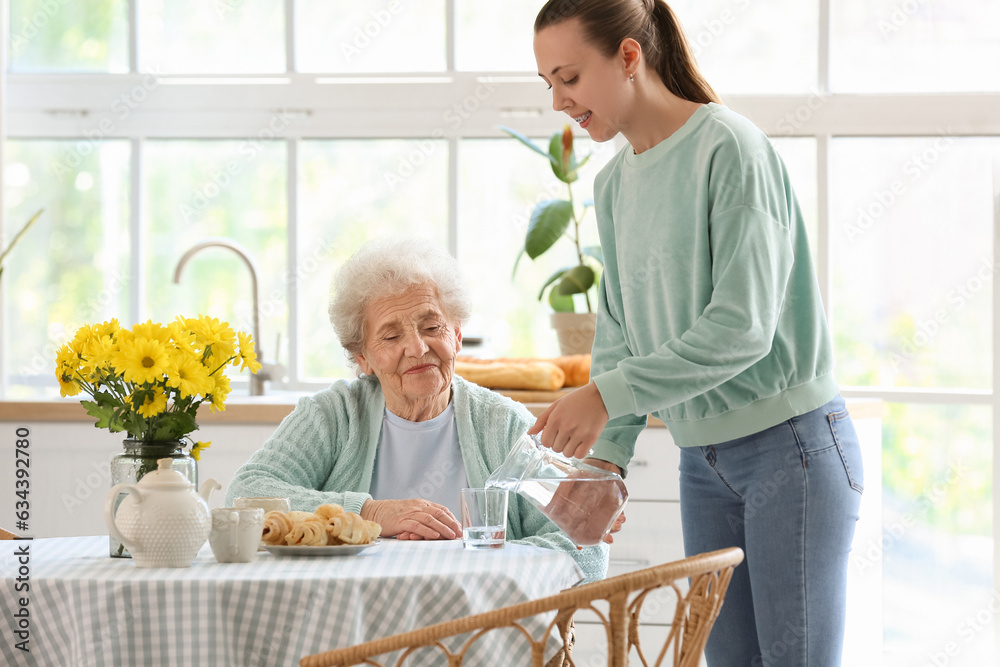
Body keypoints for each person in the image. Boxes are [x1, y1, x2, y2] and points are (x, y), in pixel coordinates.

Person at [527, 1, 863, 665]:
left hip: (790, 449)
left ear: (629, 56)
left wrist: (603, 397)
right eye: (549, 86)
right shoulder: (615, 183)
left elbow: (742, 328)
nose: (560, 102)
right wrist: (607, 458)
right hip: (700, 459)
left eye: (569, 77)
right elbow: (620, 326)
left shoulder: (730, 147)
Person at [227, 238, 608, 583]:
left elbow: (587, 541)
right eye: (392, 336)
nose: (417, 347)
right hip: (348, 626)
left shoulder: (502, 425)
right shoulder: (333, 416)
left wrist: (489, 569)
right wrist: (370, 514)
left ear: (456, 334)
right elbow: (244, 496)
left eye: (431, 326)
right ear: (364, 358)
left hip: (479, 627)